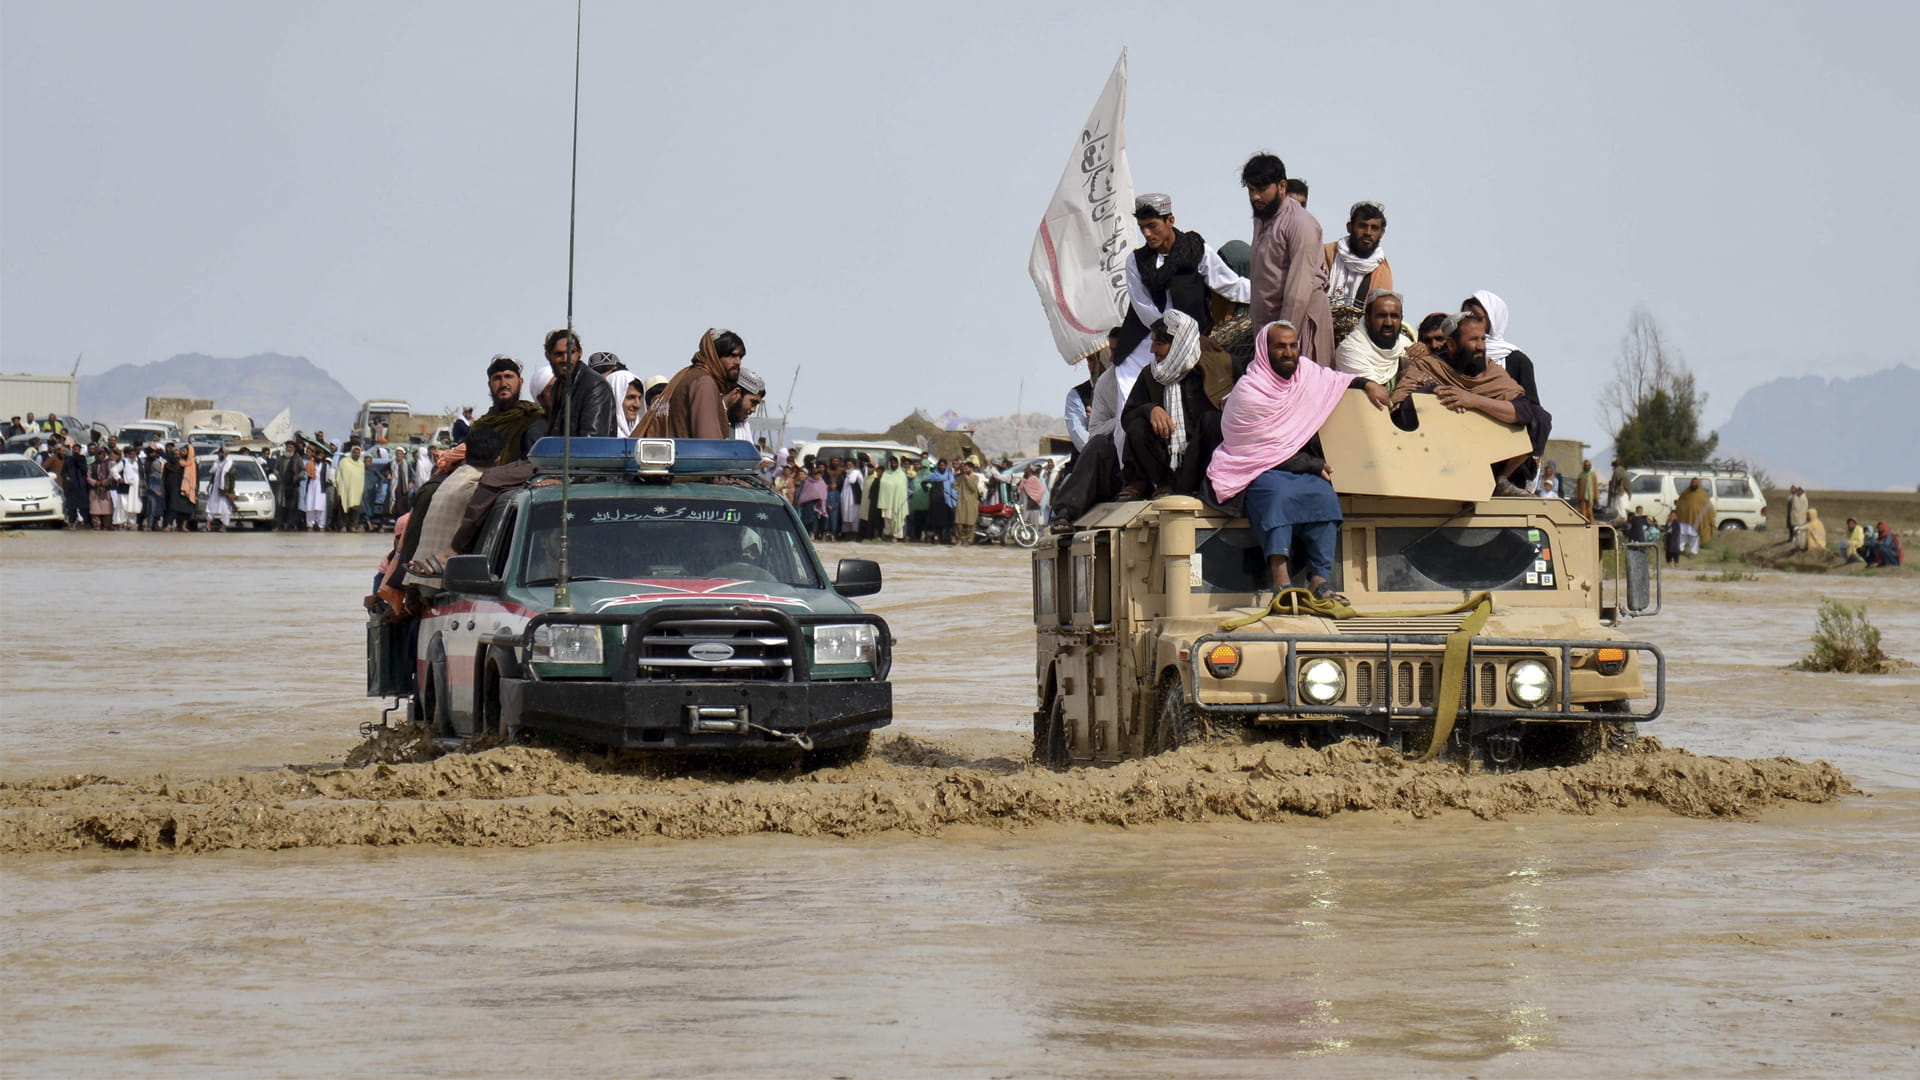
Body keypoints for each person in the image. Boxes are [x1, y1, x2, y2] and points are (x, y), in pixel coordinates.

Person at [1207, 320, 1389, 598]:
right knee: (1278, 496)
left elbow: (1338, 380)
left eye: (1293, 346)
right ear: (1265, 350)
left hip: (1298, 466)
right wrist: (1312, 465)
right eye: (1280, 346)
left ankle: (1319, 579)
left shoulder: (1306, 374)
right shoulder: (1249, 391)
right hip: (1257, 467)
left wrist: (1368, 384)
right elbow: (1265, 449)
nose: (1289, 352)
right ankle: (1282, 580)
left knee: (1323, 495)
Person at [1110, 194, 1250, 422]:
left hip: (1192, 344)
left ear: (1170, 221)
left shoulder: (1195, 249)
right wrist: (1182, 338)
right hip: (1146, 344)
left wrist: (1271, 293)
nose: (1146, 234)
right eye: (1142, 227)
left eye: (1152, 226)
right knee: (1132, 414)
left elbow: (1229, 284)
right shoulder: (1135, 261)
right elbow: (1145, 309)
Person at [1389, 311, 1553, 495]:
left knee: (1540, 418)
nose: (1480, 346)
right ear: (1451, 344)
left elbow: (1525, 411)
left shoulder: (1492, 372)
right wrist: (1436, 395)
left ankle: (1501, 479)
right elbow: (1399, 407)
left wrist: (1474, 401)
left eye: (1482, 339)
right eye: (1473, 340)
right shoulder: (1429, 367)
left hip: (1488, 455)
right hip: (1437, 454)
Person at [1242, 153, 1333, 369]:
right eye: (1251, 190)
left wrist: (1282, 340)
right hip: (1272, 328)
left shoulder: (1300, 224)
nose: (1255, 196)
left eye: (1261, 189)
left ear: (1282, 186)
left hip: (1300, 326)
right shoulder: (1262, 217)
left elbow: (1298, 289)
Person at [1117, 310, 1217, 500]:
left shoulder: (1216, 367)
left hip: (1202, 461)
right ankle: (1164, 484)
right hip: (1167, 462)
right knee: (1138, 426)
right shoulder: (1150, 375)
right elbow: (1127, 417)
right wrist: (1150, 409)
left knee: (1212, 421)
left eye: (1159, 343)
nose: (1152, 350)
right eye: (1152, 342)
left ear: (1179, 343)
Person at [406, 430, 497, 588]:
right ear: (497, 461)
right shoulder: (477, 484)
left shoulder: (451, 479)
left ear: (466, 457)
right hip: (439, 577)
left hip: (421, 574)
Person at [638, 329, 742, 439]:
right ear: (714, 355)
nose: (738, 362)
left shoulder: (689, 376)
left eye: (740, 357)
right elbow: (709, 446)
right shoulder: (704, 383)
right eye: (731, 356)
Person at [1462, 292, 1542, 405]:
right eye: (1464, 317)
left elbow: (1531, 410)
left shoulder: (1516, 360)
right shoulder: (1456, 353)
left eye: (1476, 317)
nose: (1470, 322)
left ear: (1494, 319)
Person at [468, 355, 549, 465]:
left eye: (508, 377)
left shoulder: (534, 418)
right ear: (489, 385)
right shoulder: (480, 426)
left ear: (520, 382)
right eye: (497, 378)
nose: (503, 384)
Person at [540, 330, 616, 439]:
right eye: (559, 354)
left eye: (571, 352)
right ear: (548, 356)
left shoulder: (594, 385)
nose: (565, 359)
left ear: (580, 352)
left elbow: (592, 440)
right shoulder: (557, 386)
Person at [1332, 289, 1409, 390]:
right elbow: (1375, 394)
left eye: (1394, 316)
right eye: (1381, 316)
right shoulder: (1351, 350)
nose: (1388, 323)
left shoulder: (1406, 345)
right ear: (1367, 318)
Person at [1323, 200, 1393, 306]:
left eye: (1374, 228)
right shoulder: (1327, 253)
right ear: (1349, 227)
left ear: (1381, 233)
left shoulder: (1382, 272)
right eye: (1362, 226)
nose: (1368, 233)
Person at [1673, 478, 1713, 556]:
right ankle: (1680, 549)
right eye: (1693, 482)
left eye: (1695, 482)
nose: (1694, 484)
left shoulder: (1702, 493)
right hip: (1684, 518)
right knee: (1682, 534)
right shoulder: (1685, 492)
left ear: (1698, 483)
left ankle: (1693, 552)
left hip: (1696, 519)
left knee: (1694, 536)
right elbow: (1680, 502)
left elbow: (1708, 505)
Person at [727, 368, 766, 442]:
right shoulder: (710, 418)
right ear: (736, 393)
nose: (754, 410)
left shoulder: (743, 427)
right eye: (753, 402)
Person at [923, 458, 956, 544]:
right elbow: (924, 483)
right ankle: (937, 537)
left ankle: (948, 538)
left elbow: (954, 487)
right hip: (935, 501)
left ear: (946, 466)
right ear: (938, 466)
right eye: (940, 465)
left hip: (947, 501)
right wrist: (927, 488)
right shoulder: (933, 475)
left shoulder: (949, 476)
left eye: (944, 465)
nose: (942, 467)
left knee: (948, 520)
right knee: (936, 521)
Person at [205, 447, 238, 531]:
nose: (220, 454)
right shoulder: (216, 463)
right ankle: (208, 525)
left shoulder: (230, 463)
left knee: (225, 507)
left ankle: (224, 526)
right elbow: (213, 475)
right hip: (216, 489)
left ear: (226, 454)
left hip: (225, 489)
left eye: (221, 453)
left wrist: (230, 491)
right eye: (219, 453)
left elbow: (232, 479)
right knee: (211, 505)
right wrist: (210, 484)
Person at [876, 456, 909, 541]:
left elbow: (902, 489)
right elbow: (883, 485)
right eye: (891, 462)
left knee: (896, 518)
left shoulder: (901, 475)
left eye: (895, 462)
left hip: (897, 501)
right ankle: (888, 534)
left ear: (898, 463)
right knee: (887, 518)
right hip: (887, 501)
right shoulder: (886, 473)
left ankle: (896, 535)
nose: (893, 464)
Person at [334, 445, 365, 532]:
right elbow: (339, 475)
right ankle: (342, 525)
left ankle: (352, 525)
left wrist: (361, 490)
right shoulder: (344, 462)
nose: (356, 454)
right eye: (355, 452)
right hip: (345, 489)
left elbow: (361, 478)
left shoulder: (361, 464)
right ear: (352, 452)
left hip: (356, 490)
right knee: (343, 508)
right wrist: (339, 489)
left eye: (358, 453)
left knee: (355, 509)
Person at [301, 445, 331, 531]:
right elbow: (306, 474)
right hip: (311, 486)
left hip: (321, 487)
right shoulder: (310, 464)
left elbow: (326, 478)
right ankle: (310, 524)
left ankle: (321, 525)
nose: (319, 457)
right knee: (310, 506)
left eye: (321, 455)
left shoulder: (326, 466)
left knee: (321, 507)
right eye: (318, 455)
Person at [954, 461, 980, 545]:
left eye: (966, 468)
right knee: (959, 522)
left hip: (971, 503)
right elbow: (953, 484)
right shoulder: (960, 478)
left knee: (970, 523)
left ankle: (968, 540)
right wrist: (958, 490)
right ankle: (959, 539)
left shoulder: (975, 477)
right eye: (964, 468)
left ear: (972, 469)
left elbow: (972, 488)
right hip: (961, 502)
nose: (964, 470)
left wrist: (967, 478)